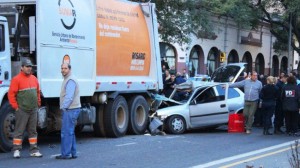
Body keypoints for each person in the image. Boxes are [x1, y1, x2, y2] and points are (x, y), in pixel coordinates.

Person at [8, 58, 43, 158]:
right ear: (22, 67)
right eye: (27, 67)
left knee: (33, 131)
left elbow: (37, 92)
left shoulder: (34, 78)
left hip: (33, 109)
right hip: (22, 110)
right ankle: (16, 150)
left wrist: (38, 102)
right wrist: (16, 107)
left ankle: (34, 150)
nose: (29, 68)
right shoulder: (16, 79)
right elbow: (11, 94)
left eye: (30, 67)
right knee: (19, 131)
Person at [56, 63, 81, 159]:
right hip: (72, 109)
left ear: (69, 69)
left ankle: (66, 154)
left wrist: (64, 107)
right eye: (62, 68)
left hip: (70, 109)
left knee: (66, 132)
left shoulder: (70, 80)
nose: (63, 70)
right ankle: (73, 153)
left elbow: (69, 97)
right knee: (70, 131)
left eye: (65, 68)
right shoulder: (68, 79)